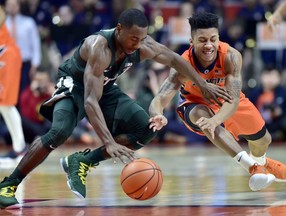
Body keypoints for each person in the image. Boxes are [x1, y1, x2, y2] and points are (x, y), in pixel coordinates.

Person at [0, 8, 232, 208]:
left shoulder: (143, 44)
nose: (137, 45)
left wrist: (202, 84)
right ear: (119, 29)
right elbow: (90, 101)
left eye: (142, 39)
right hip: (75, 87)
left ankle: (82, 161)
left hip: (105, 87)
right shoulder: (99, 47)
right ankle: (8, 185)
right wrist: (109, 142)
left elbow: (175, 60)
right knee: (60, 132)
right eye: (133, 38)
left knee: (146, 128)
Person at [149, 12, 286, 192]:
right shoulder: (183, 65)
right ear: (192, 41)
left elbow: (234, 100)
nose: (209, 45)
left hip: (227, 99)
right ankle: (253, 168)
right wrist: (157, 114)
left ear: (218, 38)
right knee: (204, 118)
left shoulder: (231, 56)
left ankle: (261, 162)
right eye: (202, 40)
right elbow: (159, 98)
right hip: (194, 103)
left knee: (263, 140)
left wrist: (216, 119)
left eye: (213, 39)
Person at [0, 6, 26, 161]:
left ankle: (20, 148)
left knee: (6, 104)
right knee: (3, 106)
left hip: (7, 56)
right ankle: (19, 147)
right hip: (4, 55)